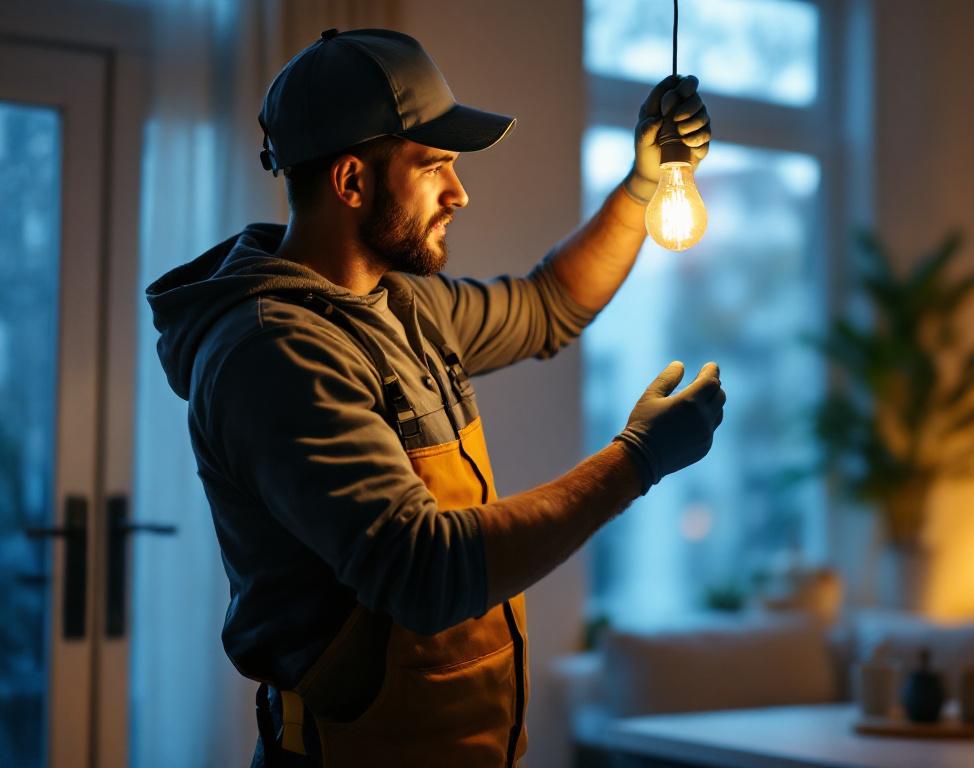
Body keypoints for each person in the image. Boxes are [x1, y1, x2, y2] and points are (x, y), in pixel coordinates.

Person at [146, 28, 723, 767]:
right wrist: (635, 461)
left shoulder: (404, 304)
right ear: (351, 182)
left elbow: (549, 306)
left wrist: (641, 186)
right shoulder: (275, 353)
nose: (461, 192)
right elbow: (422, 571)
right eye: (435, 166)